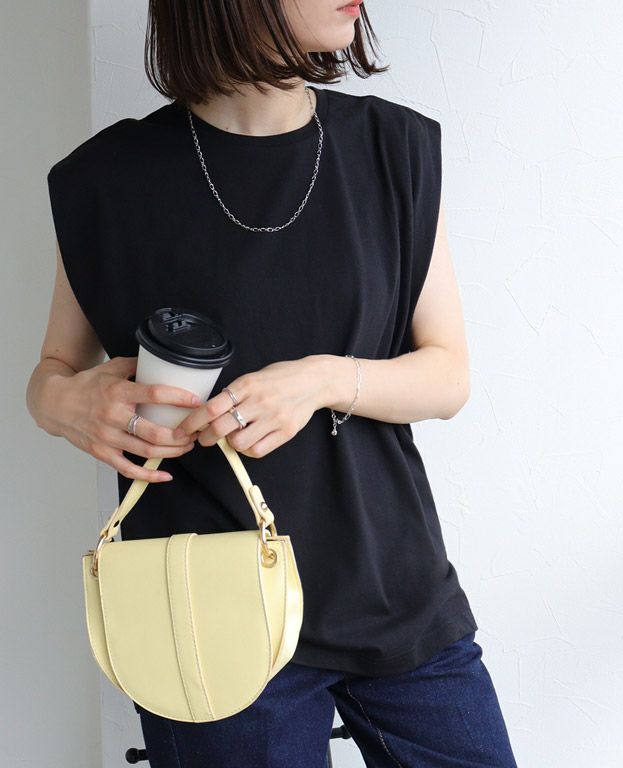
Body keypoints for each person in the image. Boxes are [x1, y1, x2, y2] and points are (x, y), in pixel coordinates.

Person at [26, 1, 518, 766]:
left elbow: (447, 375)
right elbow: (52, 374)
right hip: (207, 611)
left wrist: (322, 380)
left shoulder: (392, 148)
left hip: (394, 585)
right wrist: (71, 403)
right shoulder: (106, 180)